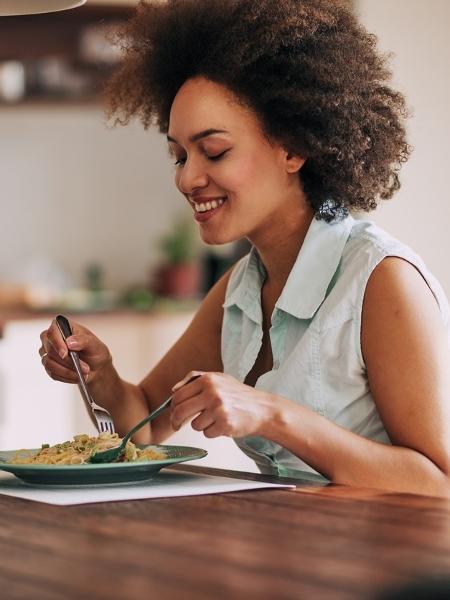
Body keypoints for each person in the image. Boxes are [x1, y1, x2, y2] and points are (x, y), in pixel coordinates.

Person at [39, 0, 450, 496]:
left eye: (214, 151)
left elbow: (438, 484)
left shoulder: (382, 281)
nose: (188, 177)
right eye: (179, 155)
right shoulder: (239, 290)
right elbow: (146, 426)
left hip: (389, 566)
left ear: (293, 148)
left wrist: (272, 414)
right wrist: (101, 375)